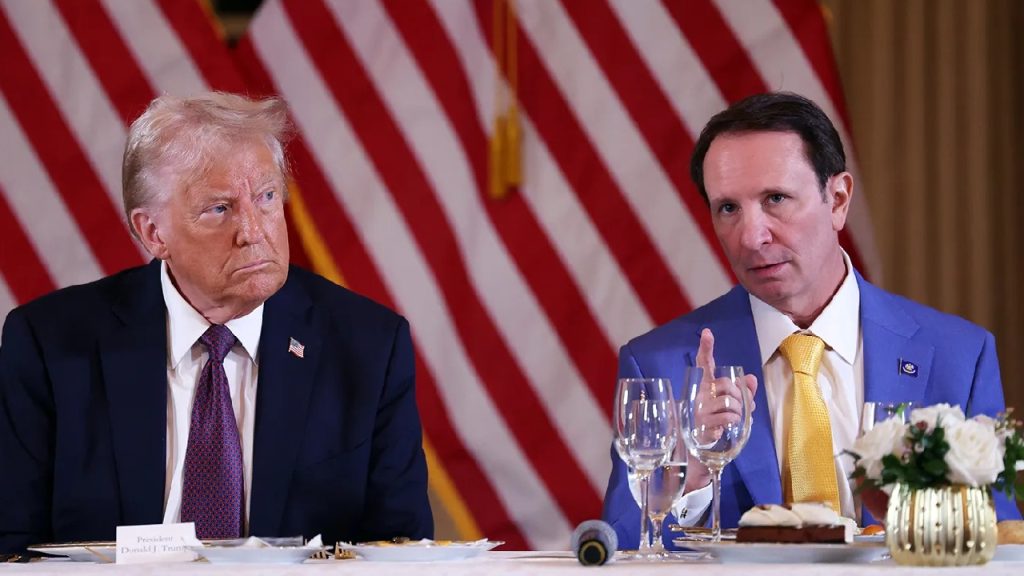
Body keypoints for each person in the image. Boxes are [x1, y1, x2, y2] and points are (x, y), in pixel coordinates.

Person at [0, 92, 432, 554]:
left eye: (266, 197)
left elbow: (403, 550)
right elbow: (11, 545)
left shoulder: (368, 347)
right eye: (219, 208)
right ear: (153, 232)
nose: (254, 231)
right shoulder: (51, 346)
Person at [602, 92, 1021, 549]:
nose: (751, 236)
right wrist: (691, 466)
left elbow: (995, 542)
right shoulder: (658, 364)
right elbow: (618, 548)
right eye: (728, 209)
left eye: (776, 199)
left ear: (838, 199)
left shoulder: (958, 357)